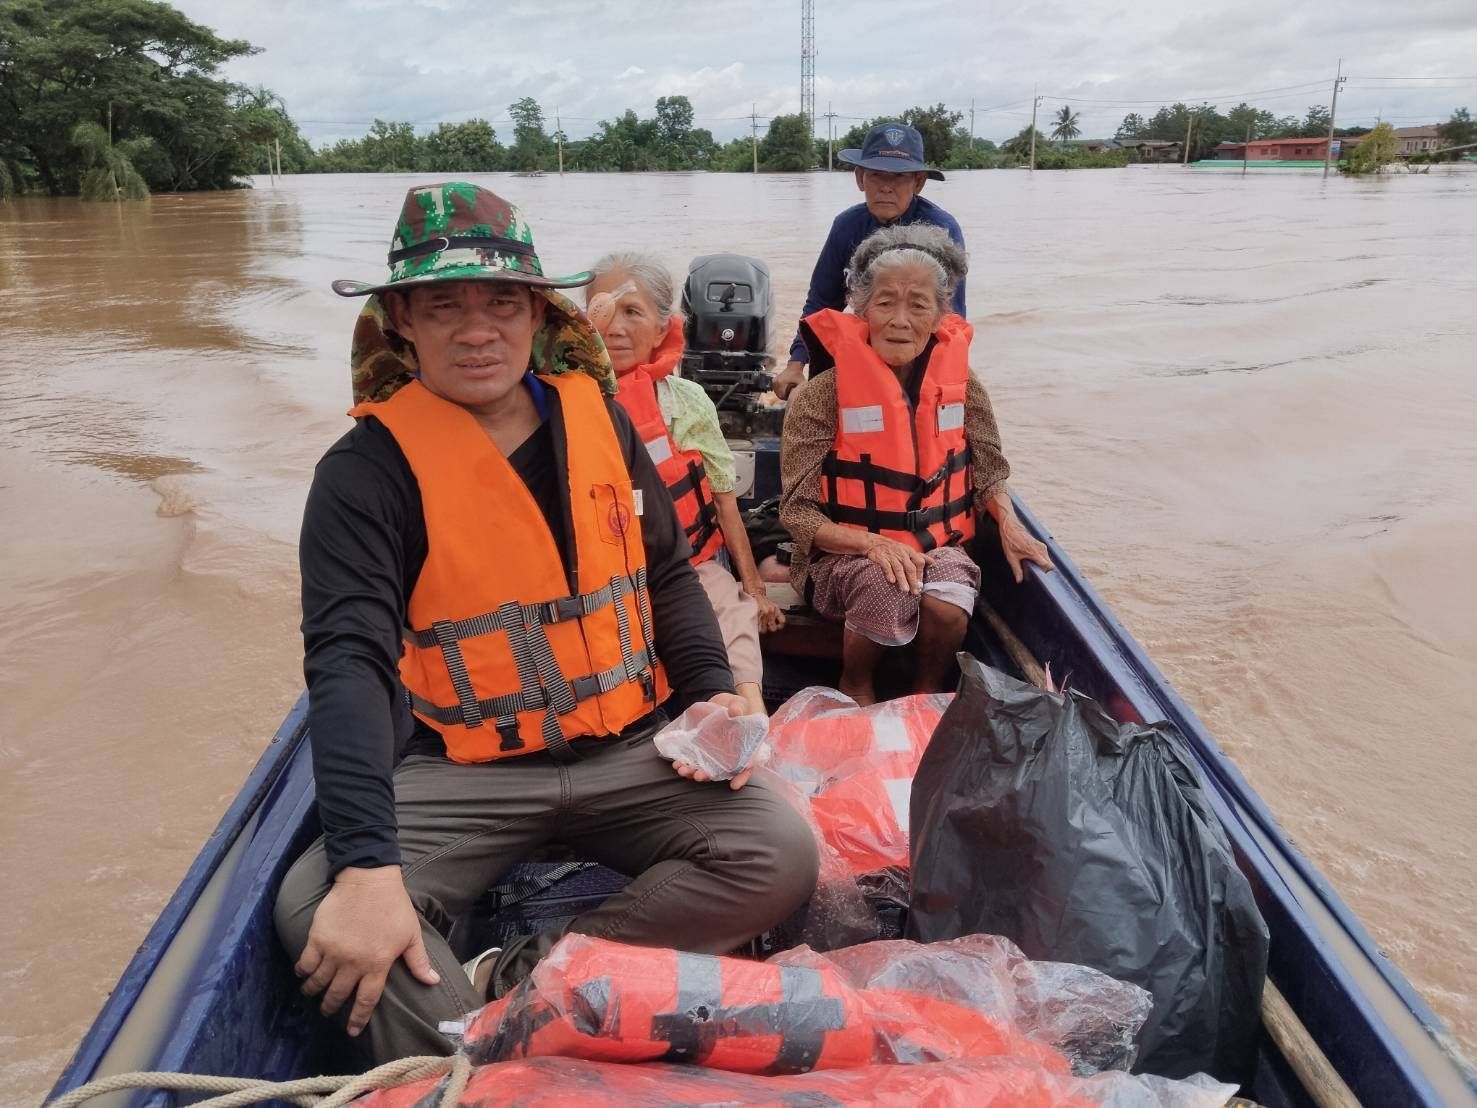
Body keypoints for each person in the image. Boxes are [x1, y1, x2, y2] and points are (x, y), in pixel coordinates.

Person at [274, 182, 818, 1065]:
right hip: (462, 773)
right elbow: (346, 665)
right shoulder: (362, 473)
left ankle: (533, 986)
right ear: (402, 320)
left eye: (500, 302)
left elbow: (667, 575)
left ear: (538, 313)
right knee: (317, 908)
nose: (476, 329)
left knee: (779, 850)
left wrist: (712, 700)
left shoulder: (596, 417)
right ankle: (474, 1069)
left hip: (628, 750)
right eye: (443, 305)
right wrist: (368, 868)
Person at [779, 224, 1053, 706]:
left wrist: (1007, 523)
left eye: (918, 305)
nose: (900, 320)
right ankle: (856, 686)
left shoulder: (963, 384)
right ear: (862, 311)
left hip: (935, 544)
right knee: (888, 586)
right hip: (843, 557)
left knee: (948, 599)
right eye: (885, 303)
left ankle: (925, 693)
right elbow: (797, 514)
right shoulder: (823, 393)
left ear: (940, 316)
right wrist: (870, 543)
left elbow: (988, 467)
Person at [585, 253, 783, 717]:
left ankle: (749, 716)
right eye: (603, 310)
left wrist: (752, 587)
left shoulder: (686, 402)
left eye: (632, 312)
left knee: (731, 616)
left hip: (686, 562)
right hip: (602, 570)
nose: (615, 327)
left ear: (661, 330)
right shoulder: (558, 399)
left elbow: (722, 495)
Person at [771, 122, 966, 402]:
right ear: (860, 178)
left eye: (899, 177)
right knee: (804, 405)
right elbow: (821, 302)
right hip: (862, 349)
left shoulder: (942, 230)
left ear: (918, 183)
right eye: (876, 175)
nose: (886, 187)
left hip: (916, 352)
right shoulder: (846, 226)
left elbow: (950, 319)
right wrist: (795, 364)